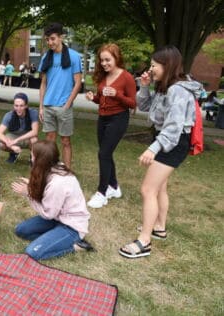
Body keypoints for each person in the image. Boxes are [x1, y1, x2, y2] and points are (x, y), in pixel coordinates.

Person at [119, 45, 203, 259]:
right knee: (159, 188)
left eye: (155, 65)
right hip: (165, 138)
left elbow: (174, 129)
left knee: (147, 190)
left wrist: (152, 148)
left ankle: (144, 242)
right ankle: (159, 228)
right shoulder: (165, 86)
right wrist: (145, 87)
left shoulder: (177, 90)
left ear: (167, 66)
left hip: (173, 142)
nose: (151, 68)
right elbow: (145, 107)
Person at [11, 140, 91, 260]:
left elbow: (47, 214)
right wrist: (31, 186)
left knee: (32, 252)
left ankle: (75, 246)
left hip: (71, 226)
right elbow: (47, 190)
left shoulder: (58, 183)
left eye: (33, 155)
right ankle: (53, 238)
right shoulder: (55, 166)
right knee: (21, 230)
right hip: (57, 218)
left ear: (40, 160)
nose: (31, 158)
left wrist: (28, 194)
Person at [85, 44, 137, 209]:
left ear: (116, 58)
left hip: (118, 119)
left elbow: (133, 103)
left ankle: (102, 193)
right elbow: (101, 99)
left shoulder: (126, 77)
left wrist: (117, 94)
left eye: (108, 60)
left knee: (104, 154)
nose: (104, 63)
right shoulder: (103, 77)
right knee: (106, 154)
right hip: (103, 118)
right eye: (102, 60)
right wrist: (93, 97)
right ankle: (114, 187)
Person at [39, 22, 83, 169]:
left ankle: (67, 172)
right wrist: (41, 107)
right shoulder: (46, 57)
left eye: (52, 38)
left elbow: (77, 83)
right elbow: (43, 83)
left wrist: (67, 104)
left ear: (61, 37)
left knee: (65, 141)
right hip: (48, 105)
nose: (50, 42)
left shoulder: (74, 56)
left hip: (64, 106)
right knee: (50, 141)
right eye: (47, 39)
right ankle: (50, 169)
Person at [0, 92, 39, 163]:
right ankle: (13, 153)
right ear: (13, 106)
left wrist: (17, 140)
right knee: (1, 144)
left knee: (34, 140)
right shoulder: (8, 115)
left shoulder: (33, 113)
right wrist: (11, 146)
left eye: (21, 106)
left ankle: (33, 157)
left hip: (27, 137)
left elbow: (35, 132)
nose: (18, 108)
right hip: (14, 137)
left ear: (26, 106)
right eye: (16, 106)